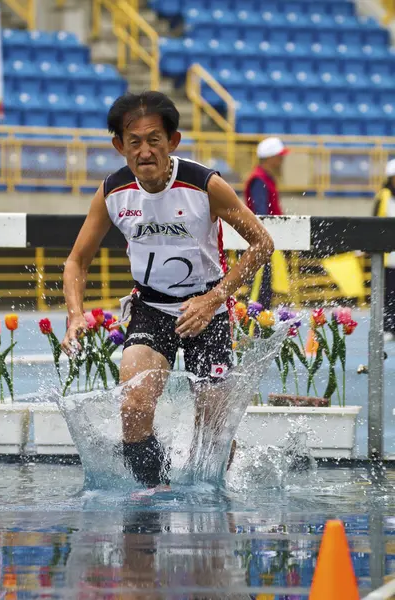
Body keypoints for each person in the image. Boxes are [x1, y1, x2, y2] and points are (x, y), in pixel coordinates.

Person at [61, 91, 274, 489]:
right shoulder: (111, 192)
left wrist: (214, 300)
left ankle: (214, 494)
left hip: (205, 310)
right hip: (150, 307)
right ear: (119, 146)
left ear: (172, 142)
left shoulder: (205, 184)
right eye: (134, 141)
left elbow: (262, 244)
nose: (145, 151)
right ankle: (156, 490)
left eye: (154, 139)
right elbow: (77, 261)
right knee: (134, 405)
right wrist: (75, 314)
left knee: (213, 427)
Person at [243, 137, 289, 309]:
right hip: (261, 243)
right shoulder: (259, 180)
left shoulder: (264, 178)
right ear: (270, 157)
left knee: (264, 291)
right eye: (279, 156)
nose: (281, 160)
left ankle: (257, 329)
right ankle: (253, 331)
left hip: (266, 242)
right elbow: (261, 214)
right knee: (259, 291)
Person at [374, 158, 395, 342]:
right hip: (390, 255)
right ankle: (389, 327)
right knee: (389, 293)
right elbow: (375, 219)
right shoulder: (384, 195)